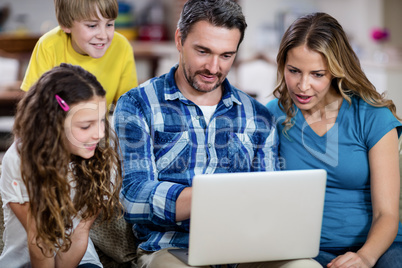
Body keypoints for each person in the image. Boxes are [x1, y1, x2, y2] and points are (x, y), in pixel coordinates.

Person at [114, 0, 321, 267]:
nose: (213, 68)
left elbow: (268, 201)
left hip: (245, 249)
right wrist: (210, 198)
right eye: (203, 51)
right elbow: (134, 198)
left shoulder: (259, 117)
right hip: (171, 248)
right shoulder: (138, 104)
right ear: (180, 40)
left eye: (226, 55)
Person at [266, 12, 402, 268]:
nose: (302, 86)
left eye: (317, 74)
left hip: (378, 246)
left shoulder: (372, 116)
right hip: (306, 249)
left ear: (337, 71)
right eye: (294, 71)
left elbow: (387, 214)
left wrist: (364, 257)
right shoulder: (273, 115)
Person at [0, 63, 122, 267]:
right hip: (24, 261)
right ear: (53, 124)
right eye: (86, 126)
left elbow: (80, 231)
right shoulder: (19, 159)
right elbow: (39, 238)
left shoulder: (101, 155)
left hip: (79, 260)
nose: (99, 133)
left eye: (101, 120)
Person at [21, 0, 138, 109]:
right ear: (65, 24)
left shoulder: (121, 46)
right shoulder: (48, 45)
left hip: (98, 129)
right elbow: (34, 108)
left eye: (109, 24)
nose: (103, 35)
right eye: (92, 26)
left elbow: (128, 108)